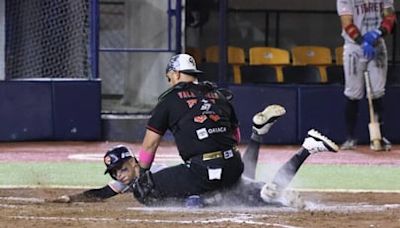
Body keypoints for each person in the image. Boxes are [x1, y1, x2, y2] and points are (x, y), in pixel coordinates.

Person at [52, 104, 339, 207]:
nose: (119, 176)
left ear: (132, 161)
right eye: (116, 173)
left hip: (207, 181)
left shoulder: (153, 173)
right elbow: (103, 192)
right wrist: (72, 198)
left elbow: (183, 183)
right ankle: (258, 133)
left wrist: (198, 199)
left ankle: (306, 148)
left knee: (265, 195)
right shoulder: (133, 181)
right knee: (250, 180)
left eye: (121, 169)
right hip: (216, 173)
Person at [337, 0, 396, 151]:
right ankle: (350, 138)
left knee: (377, 92)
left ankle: (379, 137)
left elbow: (390, 18)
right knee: (353, 92)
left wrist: (378, 32)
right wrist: (363, 42)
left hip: (377, 44)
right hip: (354, 46)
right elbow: (347, 23)